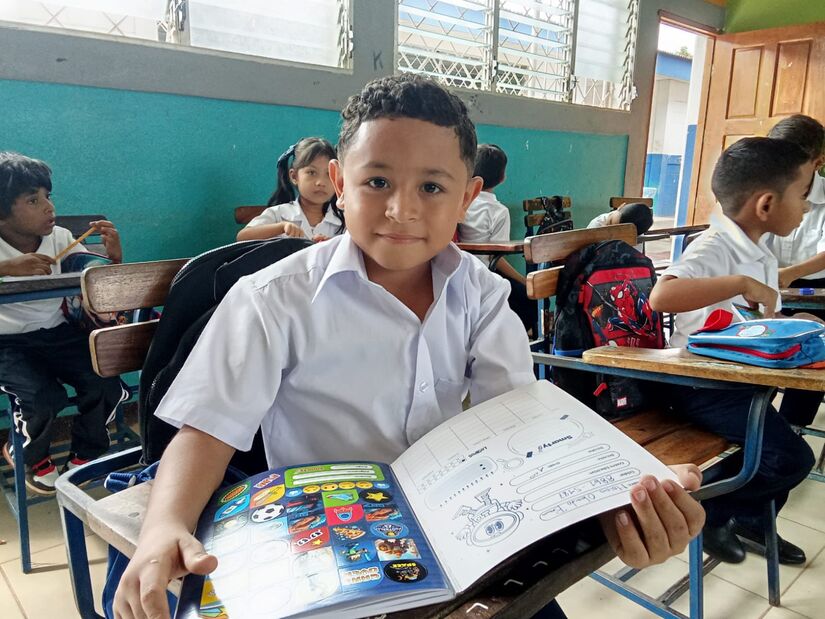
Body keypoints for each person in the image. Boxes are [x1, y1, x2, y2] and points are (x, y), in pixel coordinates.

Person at [114, 75, 705, 619]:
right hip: (328, 543)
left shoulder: (480, 294)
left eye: (431, 186)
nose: (402, 210)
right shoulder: (274, 298)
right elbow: (206, 431)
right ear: (339, 184)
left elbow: (520, 422)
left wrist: (618, 494)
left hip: (461, 527)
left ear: (467, 197)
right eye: (377, 182)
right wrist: (165, 525)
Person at [649, 137, 818, 565]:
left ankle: (754, 521)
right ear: (766, 204)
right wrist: (740, 283)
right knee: (791, 458)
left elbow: (755, 322)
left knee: (774, 454)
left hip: (739, 382)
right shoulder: (715, 248)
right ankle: (716, 513)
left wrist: (796, 323)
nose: (805, 207)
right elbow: (662, 296)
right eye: (802, 195)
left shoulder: (758, 251)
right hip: (700, 386)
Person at [0, 151, 128, 495]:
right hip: (6, 342)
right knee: (44, 397)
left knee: (104, 382)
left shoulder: (59, 237)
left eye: (48, 196)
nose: (48, 207)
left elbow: (91, 273)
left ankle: (86, 452)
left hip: (58, 332)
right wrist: (6, 269)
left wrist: (113, 259)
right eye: (33, 200)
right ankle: (27, 452)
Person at [457, 143, 535, 332]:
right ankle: (515, 338)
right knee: (528, 300)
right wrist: (523, 280)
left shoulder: (461, 203)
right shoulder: (498, 211)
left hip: (460, 270)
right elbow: (497, 258)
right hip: (486, 274)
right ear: (502, 178)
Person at [237, 137, 344, 242]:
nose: (320, 182)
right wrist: (281, 227)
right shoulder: (278, 214)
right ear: (294, 176)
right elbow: (242, 237)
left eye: (328, 174)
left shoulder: (343, 220)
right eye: (312, 172)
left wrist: (332, 245)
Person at [763, 114, 825, 289]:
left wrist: (790, 273)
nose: (782, 169)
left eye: (791, 163)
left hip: (817, 286)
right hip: (765, 278)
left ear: (818, 162)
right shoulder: (763, 191)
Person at [587, 201, 654, 236]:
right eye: (610, 221)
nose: (607, 227)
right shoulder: (596, 226)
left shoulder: (635, 237)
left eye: (616, 231)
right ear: (620, 206)